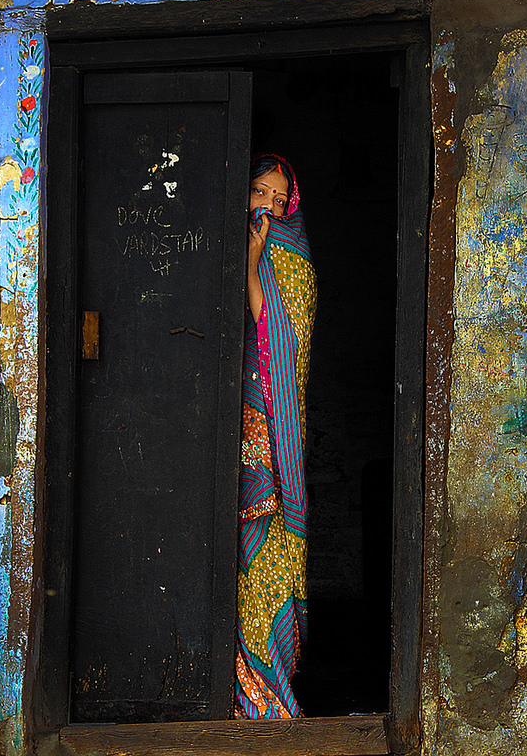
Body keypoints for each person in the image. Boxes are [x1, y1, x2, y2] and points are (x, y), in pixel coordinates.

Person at [235, 155, 317, 718]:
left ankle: (266, 689)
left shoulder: (295, 260)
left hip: (273, 430)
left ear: (290, 203)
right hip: (241, 417)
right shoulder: (231, 239)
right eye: (257, 191)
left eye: (275, 194)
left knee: (271, 550)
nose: (265, 203)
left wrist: (255, 257)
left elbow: (272, 323)